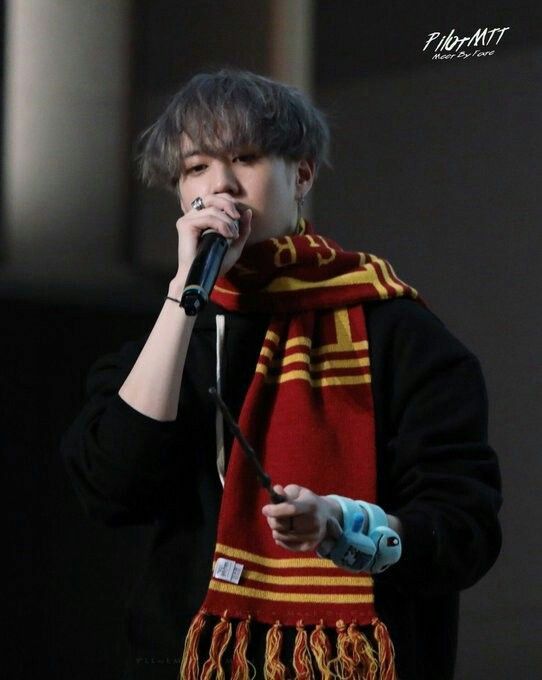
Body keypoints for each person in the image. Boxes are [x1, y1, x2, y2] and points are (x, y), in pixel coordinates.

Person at [61, 69, 502, 680]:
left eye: (245, 158)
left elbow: (464, 530)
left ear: (301, 175)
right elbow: (112, 488)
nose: (221, 185)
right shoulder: (171, 340)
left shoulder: (400, 334)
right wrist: (182, 295)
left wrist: (344, 526)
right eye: (196, 167)